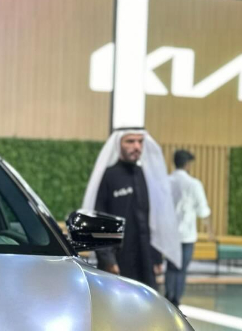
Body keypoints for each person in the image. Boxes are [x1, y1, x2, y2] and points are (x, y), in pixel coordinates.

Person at [82, 129, 182, 289]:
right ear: (118, 144)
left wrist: (156, 257)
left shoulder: (146, 175)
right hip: (117, 262)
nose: (137, 146)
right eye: (130, 141)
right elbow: (99, 221)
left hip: (145, 259)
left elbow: (154, 219)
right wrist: (108, 260)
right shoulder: (109, 176)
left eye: (140, 141)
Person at [165, 149, 212, 308]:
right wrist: (209, 231)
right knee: (181, 269)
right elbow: (203, 210)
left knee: (171, 267)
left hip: (169, 233)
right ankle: (176, 300)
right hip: (187, 234)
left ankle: (168, 298)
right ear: (187, 164)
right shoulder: (194, 184)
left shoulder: (166, 182)